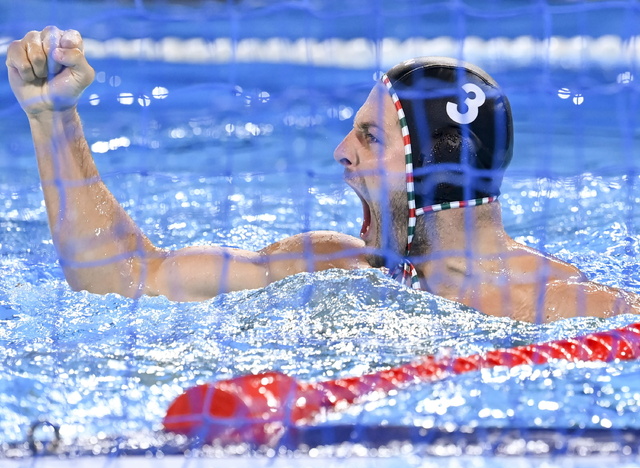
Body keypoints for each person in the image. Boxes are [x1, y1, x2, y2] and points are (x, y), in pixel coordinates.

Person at [6, 26, 640, 323]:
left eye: (368, 136)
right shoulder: (325, 263)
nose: (341, 151)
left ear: (436, 170)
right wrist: (51, 120)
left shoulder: (566, 307)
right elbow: (123, 278)